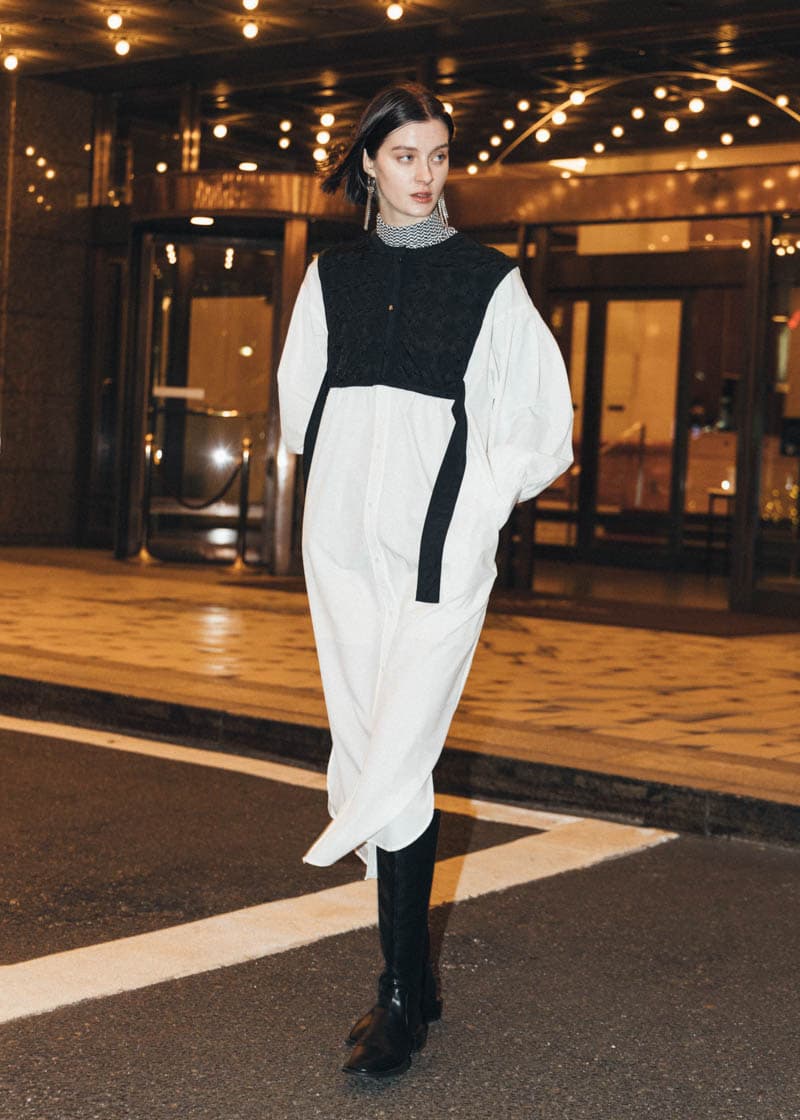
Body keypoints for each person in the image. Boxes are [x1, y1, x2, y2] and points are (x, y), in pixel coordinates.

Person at [277, 82, 573, 1080]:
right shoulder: (331, 276)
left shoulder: (488, 280)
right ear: (369, 162)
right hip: (342, 555)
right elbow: (300, 406)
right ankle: (414, 977)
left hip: (441, 550)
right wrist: (342, 497)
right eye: (405, 155)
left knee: (401, 743)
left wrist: (478, 496)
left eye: (438, 155)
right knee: (372, 739)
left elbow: (543, 420)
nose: (424, 174)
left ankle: (397, 1000)